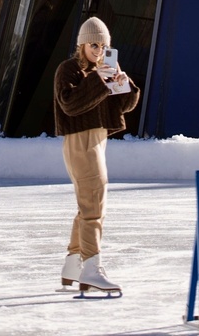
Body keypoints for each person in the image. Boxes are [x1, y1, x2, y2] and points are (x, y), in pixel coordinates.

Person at [53, 16, 139, 296]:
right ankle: (91, 267)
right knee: (94, 201)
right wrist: (100, 81)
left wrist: (123, 85)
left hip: (98, 139)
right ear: (82, 44)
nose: (99, 51)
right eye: (94, 44)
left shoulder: (103, 70)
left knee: (88, 201)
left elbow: (122, 106)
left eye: (104, 46)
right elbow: (70, 104)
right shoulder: (68, 70)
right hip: (80, 140)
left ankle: (73, 264)